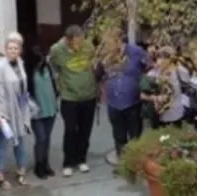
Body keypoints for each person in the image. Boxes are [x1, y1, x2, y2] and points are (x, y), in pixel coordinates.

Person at [50, 26, 100, 177]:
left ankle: (81, 159)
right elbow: (52, 66)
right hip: (69, 97)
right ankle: (68, 162)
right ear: (67, 40)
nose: (80, 45)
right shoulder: (57, 50)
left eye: (81, 40)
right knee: (70, 130)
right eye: (76, 42)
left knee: (85, 130)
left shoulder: (88, 46)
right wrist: (58, 83)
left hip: (89, 96)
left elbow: (94, 62)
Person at [0, 33, 33, 187]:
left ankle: (21, 171)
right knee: (3, 142)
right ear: (5, 49)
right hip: (5, 111)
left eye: (16, 48)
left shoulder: (20, 63)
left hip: (19, 109)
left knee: (20, 141)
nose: (13, 51)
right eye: (10, 48)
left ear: (20, 50)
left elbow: (23, 85)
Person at [104, 35, 148, 155]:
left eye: (109, 44)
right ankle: (122, 159)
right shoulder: (106, 56)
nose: (107, 48)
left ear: (118, 41)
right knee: (118, 135)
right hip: (113, 103)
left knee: (135, 135)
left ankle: (135, 160)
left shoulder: (136, 52)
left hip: (132, 102)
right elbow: (100, 74)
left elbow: (148, 67)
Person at [29, 45, 60, 179]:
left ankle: (46, 164)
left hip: (50, 109)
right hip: (36, 112)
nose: (42, 60)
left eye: (42, 57)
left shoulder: (48, 68)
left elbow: (54, 86)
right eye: (38, 59)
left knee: (47, 138)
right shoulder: (28, 73)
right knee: (41, 138)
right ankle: (38, 166)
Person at [143, 48, 190, 130]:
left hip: (177, 113)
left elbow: (187, 81)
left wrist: (177, 64)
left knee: (177, 134)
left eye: (165, 57)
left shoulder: (179, 71)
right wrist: (156, 98)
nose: (162, 60)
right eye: (159, 57)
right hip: (160, 116)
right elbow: (142, 95)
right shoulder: (152, 74)